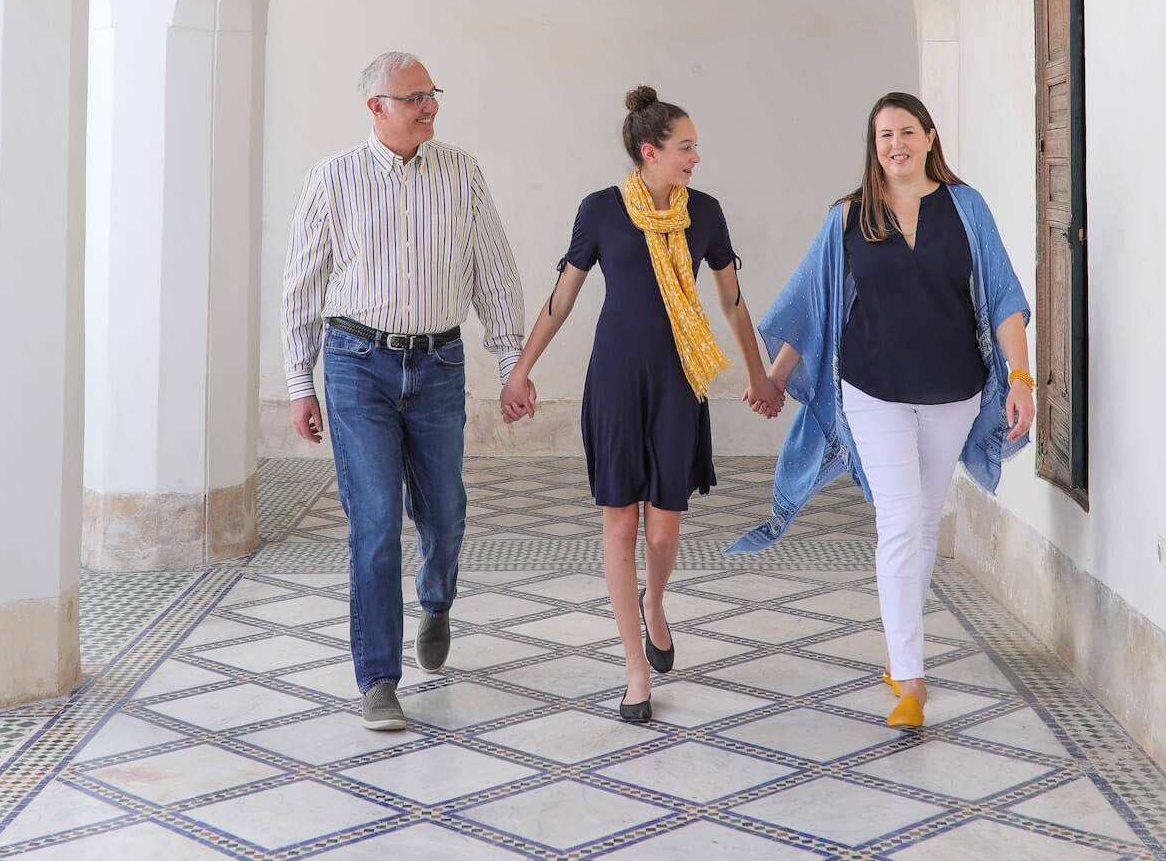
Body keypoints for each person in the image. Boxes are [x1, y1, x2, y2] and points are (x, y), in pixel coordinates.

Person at [729, 91, 1034, 729]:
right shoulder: (848, 217)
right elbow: (812, 304)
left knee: (923, 520)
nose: (894, 144)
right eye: (882, 136)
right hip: (872, 390)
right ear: (874, 147)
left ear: (928, 137)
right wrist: (776, 379)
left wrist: (1021, 378)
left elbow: (1003, 293)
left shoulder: (965, 207)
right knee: (898, 517)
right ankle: (911, 679)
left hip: (955, 392)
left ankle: (902, 650)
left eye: (905, 132)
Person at [500, 86, 778, 723]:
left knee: (663, 527)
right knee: (621, 524)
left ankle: (656, 604)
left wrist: (759, 376)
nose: (695, 157)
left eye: (695, 147)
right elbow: (562, 299)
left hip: (680, 379)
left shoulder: (704, 213)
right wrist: (520, 371)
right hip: (617, 381)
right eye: (686, 147)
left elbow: (733, 302)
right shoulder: (600, 210)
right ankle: (633, 671)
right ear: (650, 152)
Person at [281, 51, 525, 732]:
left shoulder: (462, 172)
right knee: (376, 522)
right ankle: (378, 679)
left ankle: (438, 600)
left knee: (444, 512)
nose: (430, 108)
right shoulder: (331, 180)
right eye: (414, 97)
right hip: (357, 365)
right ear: (376, 108)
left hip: (439, 365)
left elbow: (494, 273)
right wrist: (300, 382)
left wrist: (512, 364)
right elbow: (301, 288)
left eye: (432, 94)